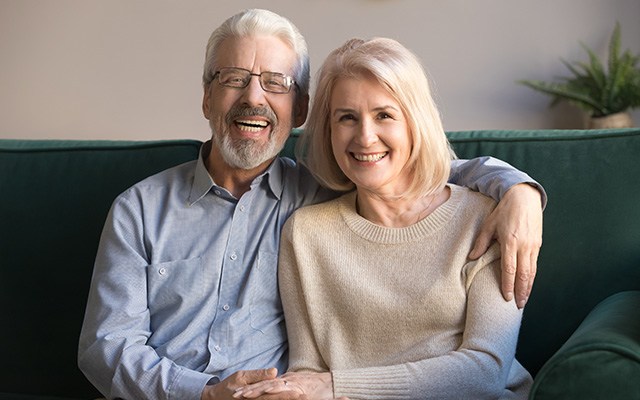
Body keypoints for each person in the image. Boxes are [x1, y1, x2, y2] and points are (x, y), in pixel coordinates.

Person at [78, 9, 543, 400]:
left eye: (275, 83)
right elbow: (105, 345)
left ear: (299, 110)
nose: (253, 98)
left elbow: (411, 168)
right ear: (206, 96)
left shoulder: (322, 191)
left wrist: (520, 190)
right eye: (234, 79)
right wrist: (202, 392)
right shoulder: (139, 209)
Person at [233, 37, 533, 400]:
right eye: (347, 117)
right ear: (328, 131)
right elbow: (307, 371)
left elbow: (485, 371)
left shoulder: (484, 218)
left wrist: (336, 386)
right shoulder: (305, 233)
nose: (365, 136)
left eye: (384, 115)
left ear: (415, 123)